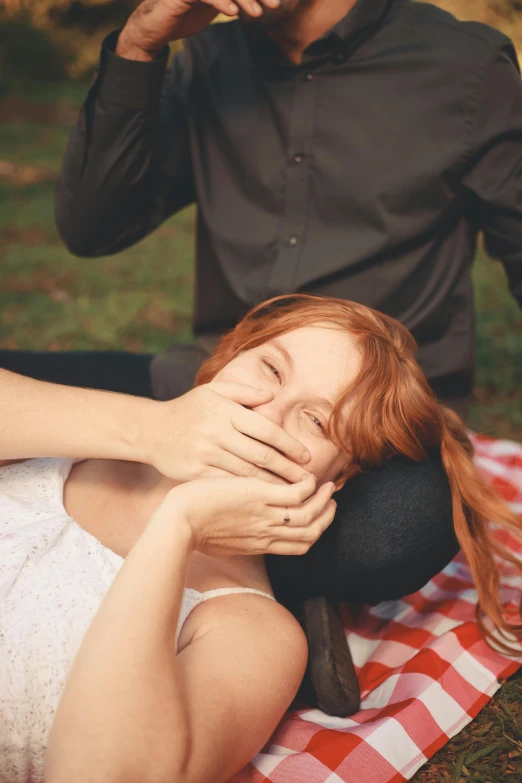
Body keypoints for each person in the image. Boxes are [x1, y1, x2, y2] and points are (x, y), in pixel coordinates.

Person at [2, 0, 521, 711]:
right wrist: (139, 45)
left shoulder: (464, 66)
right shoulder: (210, 60)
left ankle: (248, 602)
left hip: (358, 436)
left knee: (401, 526)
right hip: (206, 378)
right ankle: (278, 581)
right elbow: (94, 228)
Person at [1, 295, 520, 783]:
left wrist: (178, 525)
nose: (264, 415)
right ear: (226, 359)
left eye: (316, 421)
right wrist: (152, 428)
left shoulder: (253, 632)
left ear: (336, 481)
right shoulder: (66, 439)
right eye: (269, 368)